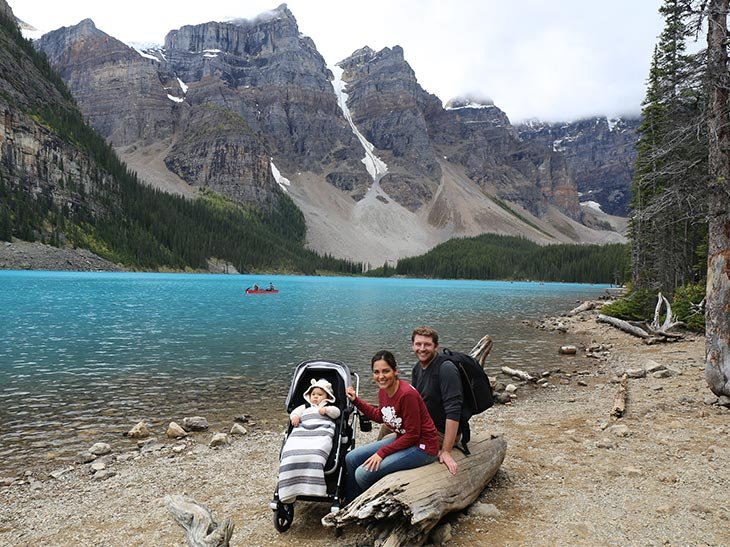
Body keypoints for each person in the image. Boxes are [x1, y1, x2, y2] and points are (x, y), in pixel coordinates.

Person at [344, 350, 439, 503]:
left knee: (363, 473)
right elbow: (381, 417)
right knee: (351, 458)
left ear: (395, 371)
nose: (381, 376)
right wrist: (356, 401)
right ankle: (351, 501)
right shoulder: (383, 391)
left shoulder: (407, 395)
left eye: (386, 371)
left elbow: (413, 435)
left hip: (423, 448)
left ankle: (368, 505)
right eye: (376, 372)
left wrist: (382, 452)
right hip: (404, 440)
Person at [277, 379, 341, 503]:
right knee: (290, 453)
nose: (316, 397)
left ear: (328, 396)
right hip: (302, 434)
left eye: (320, 394)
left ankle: (314, 486)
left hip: (320, 434)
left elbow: (337, 413)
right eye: (313, 394)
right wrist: (295, 417)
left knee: (317, 453)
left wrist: (327, 411)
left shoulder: (329, 407)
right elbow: (295, 412)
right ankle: (289, 488)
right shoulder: (305, 407)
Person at [410, 326, 463, 476]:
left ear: (436, 346)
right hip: (426, 425)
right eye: (418, 344)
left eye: (427, 345)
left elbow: (454, 411)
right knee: (387, 431)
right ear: (412, 345)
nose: (422, 349)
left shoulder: (445, 369)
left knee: (396, 444)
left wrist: (446, 450)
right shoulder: (417, 369)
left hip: (441, 431)